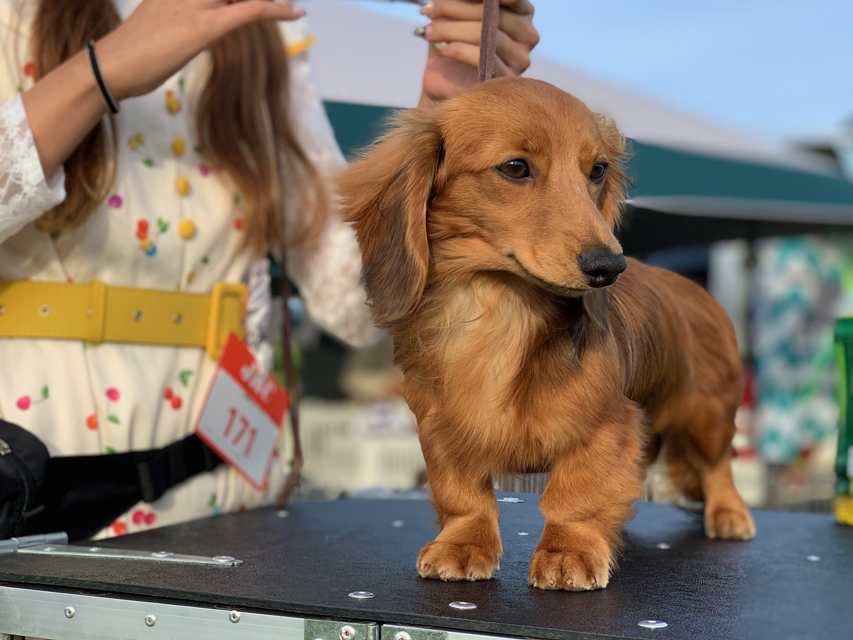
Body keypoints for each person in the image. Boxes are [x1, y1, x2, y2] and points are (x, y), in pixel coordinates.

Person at [0, 0, 539, 539]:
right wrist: (105, 69)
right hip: (47, 470)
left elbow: (354, 299)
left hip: (229, 480)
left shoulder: (263, 27)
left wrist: (441, 115)